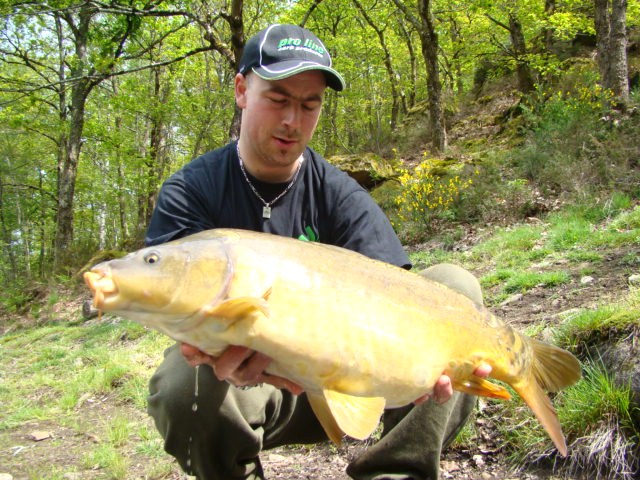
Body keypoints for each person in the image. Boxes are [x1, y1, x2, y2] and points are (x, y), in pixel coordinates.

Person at [145, 23, 490, 480]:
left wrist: (419, 368)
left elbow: (398, 296)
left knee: (454, 290)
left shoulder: (339, 193)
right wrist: (217, 354)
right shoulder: (190, 191)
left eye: (310, 105)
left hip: (347, 382)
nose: (293, 120)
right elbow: (173, 314)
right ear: (242, 90)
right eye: (279, 99)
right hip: (247, 385)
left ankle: (396, 472)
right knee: (178, 384)